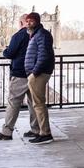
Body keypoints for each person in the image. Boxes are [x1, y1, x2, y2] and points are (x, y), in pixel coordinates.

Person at [0, 14, 42, 141]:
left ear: (21, 23)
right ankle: (36, 130)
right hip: (35, 74)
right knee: (33, 103)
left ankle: (7, 132)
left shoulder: (19, 35)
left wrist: (5, 51)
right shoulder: (38, 34)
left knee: (13, 103)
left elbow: (10, 53)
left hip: (20, 74)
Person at [23, 12, 55, 144]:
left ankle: (45, 133)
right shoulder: (35, 35)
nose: (28, 23)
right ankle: (40, 131)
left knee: (39, 104)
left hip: (39, 73)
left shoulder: (42, 34)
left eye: (31, 21)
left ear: (37, 21)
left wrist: (34, 72)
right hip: (35, 73)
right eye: (27, 21)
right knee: (36, 104)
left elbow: (44, 55)